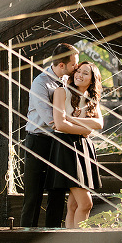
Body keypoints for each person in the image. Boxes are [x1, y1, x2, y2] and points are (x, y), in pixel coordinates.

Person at [20, 43, 80, 227]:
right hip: (38, 141)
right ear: (61, 65)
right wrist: (81, 126)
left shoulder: (66, 82)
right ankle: (24, 240)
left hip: (59, 142)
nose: (76, 68)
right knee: (33, 195)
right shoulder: (41, 83)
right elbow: (51, 120)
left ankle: (52, 235)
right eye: (73, 65)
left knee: (57, 192)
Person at [45, 61, 104, 228]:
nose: (79, 75)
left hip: (83, 147)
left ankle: (69, 240)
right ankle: (80, 242)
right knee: (86, 204)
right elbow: (60, 125)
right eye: (78, 71)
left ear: (93, 79)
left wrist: (69, 119)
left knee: (74, 205)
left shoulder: (92, 99)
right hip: (65, 147)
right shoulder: (61, 92)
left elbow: (99, 124)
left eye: (85, 73)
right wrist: (85, 128)